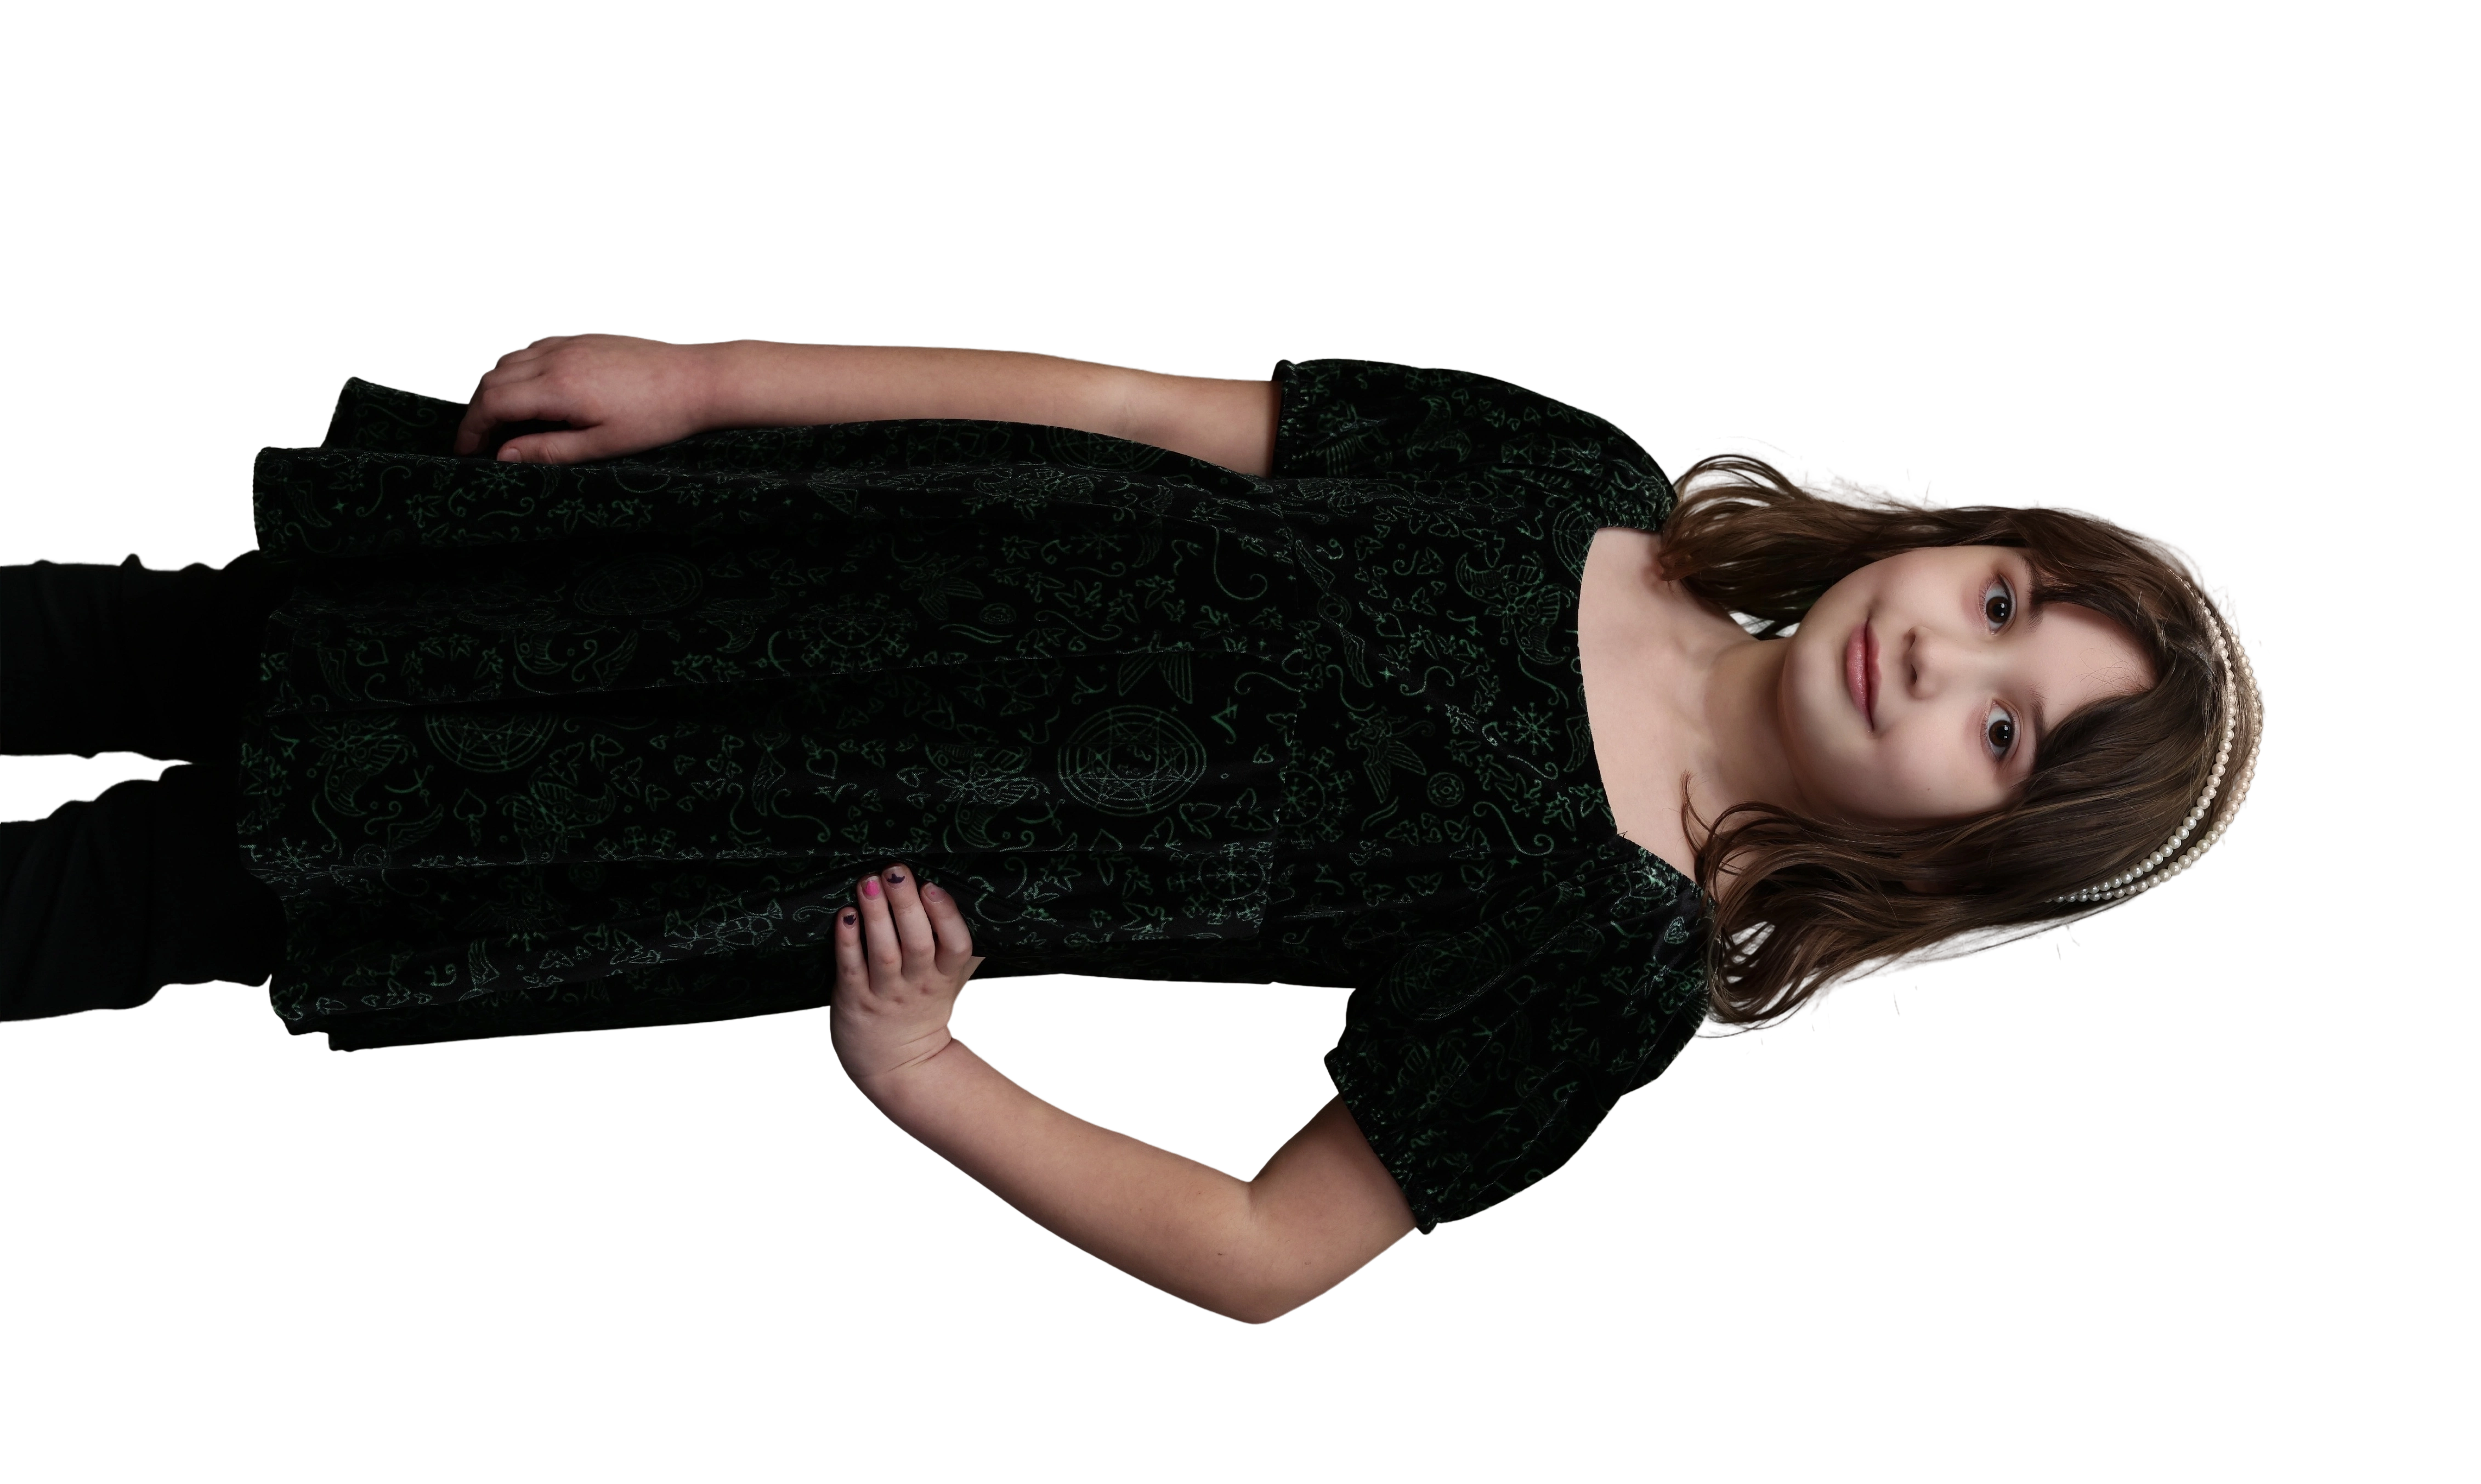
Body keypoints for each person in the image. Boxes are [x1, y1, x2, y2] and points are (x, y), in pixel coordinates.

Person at [0, 333, 2264, 1326]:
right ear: (1960, 538)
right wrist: (708, 383)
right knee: (135, 637)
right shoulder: (1573, 476)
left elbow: (1271, 1248)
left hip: (697, 823)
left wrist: (929, 1076)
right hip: (740, 559)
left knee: (137, 880)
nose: (1939, 660)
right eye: (2001, 605)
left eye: (2002, 733)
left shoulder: (1609, 944)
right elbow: (1121, 408)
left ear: (1964, 857)